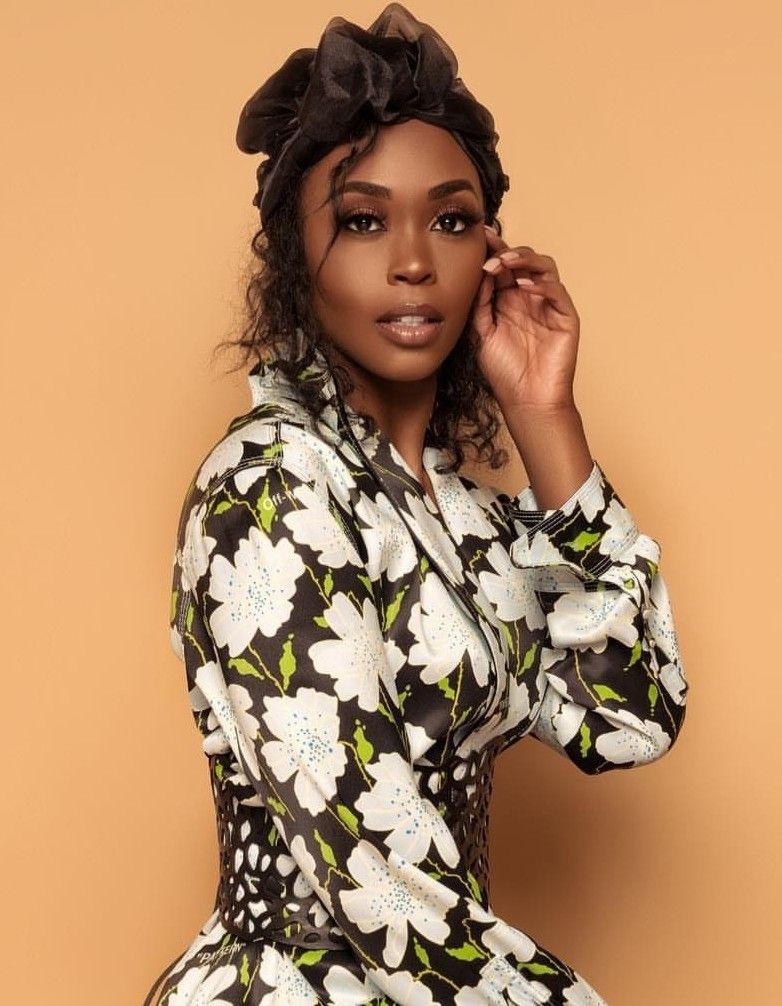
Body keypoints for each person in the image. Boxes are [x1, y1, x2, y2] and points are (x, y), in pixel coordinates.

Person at [143, 4, 689, 1004]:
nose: (412, 260)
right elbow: (376, 877)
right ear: (295, 257)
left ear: (491, 248)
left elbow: (629, 713)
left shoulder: (466, 520)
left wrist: (545, 415)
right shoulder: (268, 486)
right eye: (361, 220)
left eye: (450, 219)